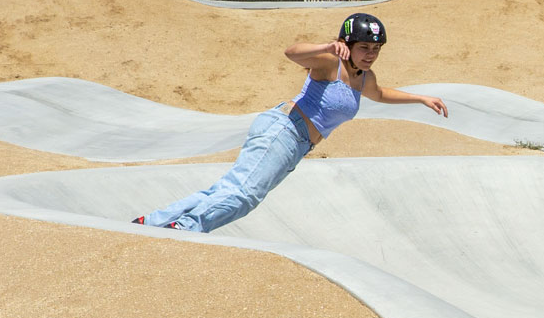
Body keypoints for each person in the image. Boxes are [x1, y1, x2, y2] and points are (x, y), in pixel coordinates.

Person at [136, 12, 447, 233]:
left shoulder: (363, 77)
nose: (370, 55)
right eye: (364, 48)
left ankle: (154, 223)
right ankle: (186, 229)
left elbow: (379, 94)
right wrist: (326, 47)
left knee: (230, 189)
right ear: (347, 44)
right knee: (245, 195)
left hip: (296, 145)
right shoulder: (330, 63)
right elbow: (292, 53)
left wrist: (421, 99)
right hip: (283, 130)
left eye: (376, 50)